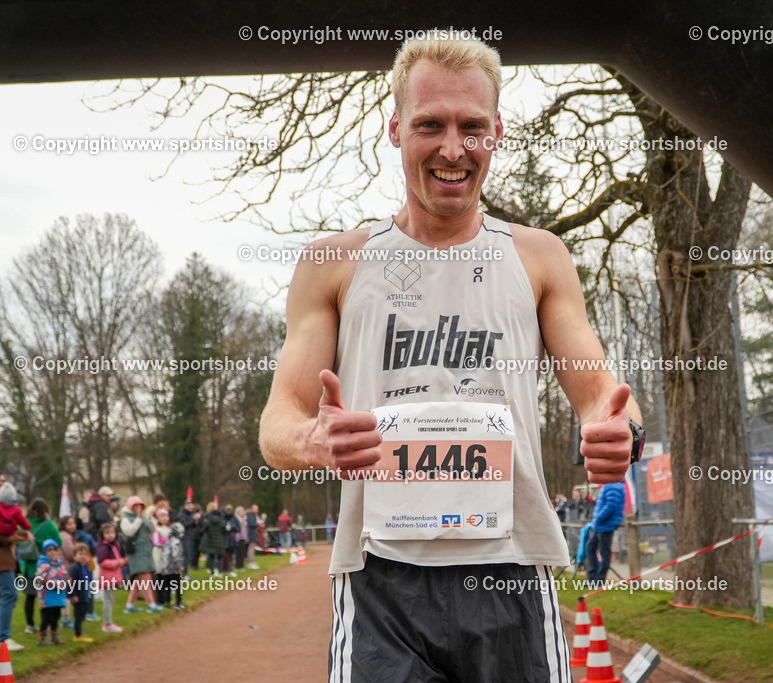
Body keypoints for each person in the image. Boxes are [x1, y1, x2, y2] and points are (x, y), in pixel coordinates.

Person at [258, 35, 643, 681]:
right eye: (429, 125)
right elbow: (278, 421)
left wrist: (613, 430)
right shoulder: (334, 262)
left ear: (497, 134)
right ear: (394, 129)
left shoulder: (539, 255)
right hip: (381, 580)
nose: (453, 148)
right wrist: (312, 439)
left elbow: (598, 390)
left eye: (473, 127)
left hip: (513, 569)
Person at [0, 471, 29, 651]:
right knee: (9, 594)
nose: (1, 484)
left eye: (4, 481)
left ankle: (2, 638)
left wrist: (18, 534)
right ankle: (2, 639)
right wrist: (9, 538)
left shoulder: (5, 503)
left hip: (4, 555)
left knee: (5, 595)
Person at [120, 495, 162, 613]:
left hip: (146, 551)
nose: (138, 508)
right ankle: (151, 604)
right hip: (135, 552)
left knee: (140, 580)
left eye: (140, 506)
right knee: (145, 577)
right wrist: (139, 518)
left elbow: (153, 530)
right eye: (135, 506)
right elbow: (129, 531)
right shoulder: (126, 518)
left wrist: (150, 518)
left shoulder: (143, 517)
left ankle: (129, 605)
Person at [25, 497, 60, 635]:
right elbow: (59, 542)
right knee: (45, 597)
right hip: (46, 567)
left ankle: (30, 625)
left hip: (29, 565)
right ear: (45, 509)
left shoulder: (26, 524)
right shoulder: (49, 524)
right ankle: (44, 625)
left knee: (30, 597)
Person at [586, 482, 625, 585]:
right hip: (599, 525)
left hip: (605, 525)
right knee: (590, 547)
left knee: (604, 553)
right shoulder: (609, 485)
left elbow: (611, 505)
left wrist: (599, 517)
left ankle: (599, 580)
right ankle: (593, 578)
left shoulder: (614, 485)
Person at [35, 539, 68, 646]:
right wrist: (57, 584)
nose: (52, 552)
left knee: (56, 616)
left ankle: (54, 636)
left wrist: (66, 581)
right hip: (47, 595)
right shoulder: (43, 564)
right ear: (45, 552)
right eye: (49, 550)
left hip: (58, 595)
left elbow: (64, 575)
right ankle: (42, 637)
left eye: (54, 550)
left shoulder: (59, 564)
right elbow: (41, 579)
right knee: (47, 617)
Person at [95, 522, 125, 633]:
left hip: (113, 576)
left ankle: (109, 622)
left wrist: (122, 562)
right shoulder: (103, 546)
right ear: (102, 534)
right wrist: (117, 562)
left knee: (110, 600)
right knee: (108, 601)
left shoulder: (115, 544)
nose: (110, 535)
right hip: (107, 577)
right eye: (107, 533)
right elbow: (102, 562)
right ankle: (107, 624)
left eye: (112, 532)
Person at [67, 543, 94, 643]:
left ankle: (80, 633)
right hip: (78, 596)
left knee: (82, 614)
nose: (83, 556)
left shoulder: (86, 568)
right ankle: (77, 635)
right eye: (80, 554)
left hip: (85, 595)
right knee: (78, 616)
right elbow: (70, 582)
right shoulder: (75, 568)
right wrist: (72, 595)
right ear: (74, 556)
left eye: (85, 554)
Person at [160, 521, 186, 610]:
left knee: (167, 585)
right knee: (178, 585)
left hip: (165, 567)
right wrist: (179, 565)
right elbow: (175, 555)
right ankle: (178, 603)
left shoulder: (168, 540)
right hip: (173, 568)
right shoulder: (176, 542)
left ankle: (167, 602)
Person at [199, 502, 227, 576]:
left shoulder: (208, 520)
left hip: (210, 540)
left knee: (211, 556)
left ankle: (212, 571)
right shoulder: (221, 520)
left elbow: (204, 529)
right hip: (219, 540)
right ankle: (220, 571)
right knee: (219, 557)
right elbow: (224, 530)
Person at [151, 508, 172, 606]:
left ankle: (167, 598)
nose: (164, 518)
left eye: (166, 516)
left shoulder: (170, 529)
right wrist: (167, 542)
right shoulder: (157, 529)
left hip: (168, 555)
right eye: (162, 516)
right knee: (159, 578)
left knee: (168, 578)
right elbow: (156, 542)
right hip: (159, 554)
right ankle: (160, 599)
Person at [245, 504, 261, 569]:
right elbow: (251, 524)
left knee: (251, 548)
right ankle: (250, 562)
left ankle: (251, 561)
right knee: (251, 548)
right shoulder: (250, 515)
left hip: (252, 534)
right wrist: (258, 524)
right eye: (255, 509)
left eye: (257, 509)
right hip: (251, 534)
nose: (256, 510)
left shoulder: (252, 515)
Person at [234, 505, 249, 571]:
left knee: (243, 553)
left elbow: (245, 530)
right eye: (242, 511)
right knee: (239, 553)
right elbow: (237, 530)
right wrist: (237, 538)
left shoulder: (244, 519)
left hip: (243, 538)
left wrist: (246, 538)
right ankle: (238, 566)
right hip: (238, 539)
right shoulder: (237, 520)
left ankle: (241, 565)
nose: (243, 512)